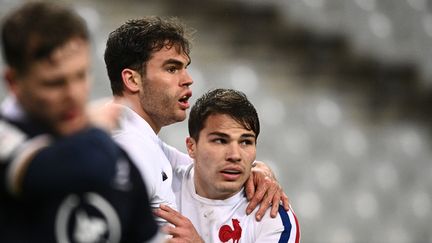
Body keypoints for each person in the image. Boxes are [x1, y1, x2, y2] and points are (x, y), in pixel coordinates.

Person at [104, 17, 289, 224]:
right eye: (172, 68)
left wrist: (256, 170)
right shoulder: (134, 148)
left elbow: (201, 166)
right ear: (132, 79)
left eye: (184, 67)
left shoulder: (137, 140)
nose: (187, 79)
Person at [0, 2, 160, 242]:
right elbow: (87, 164)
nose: (73, 94)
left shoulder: (111, 152)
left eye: (81, 75)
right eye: (54, 83)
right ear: (14, 82)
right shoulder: (8, 136)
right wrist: (96, 128)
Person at [156, 88, 300, 242]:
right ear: (192, 147)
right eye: (220, 140)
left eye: (246, 142)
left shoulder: (274, 217)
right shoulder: (160, 183)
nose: (235, 155)